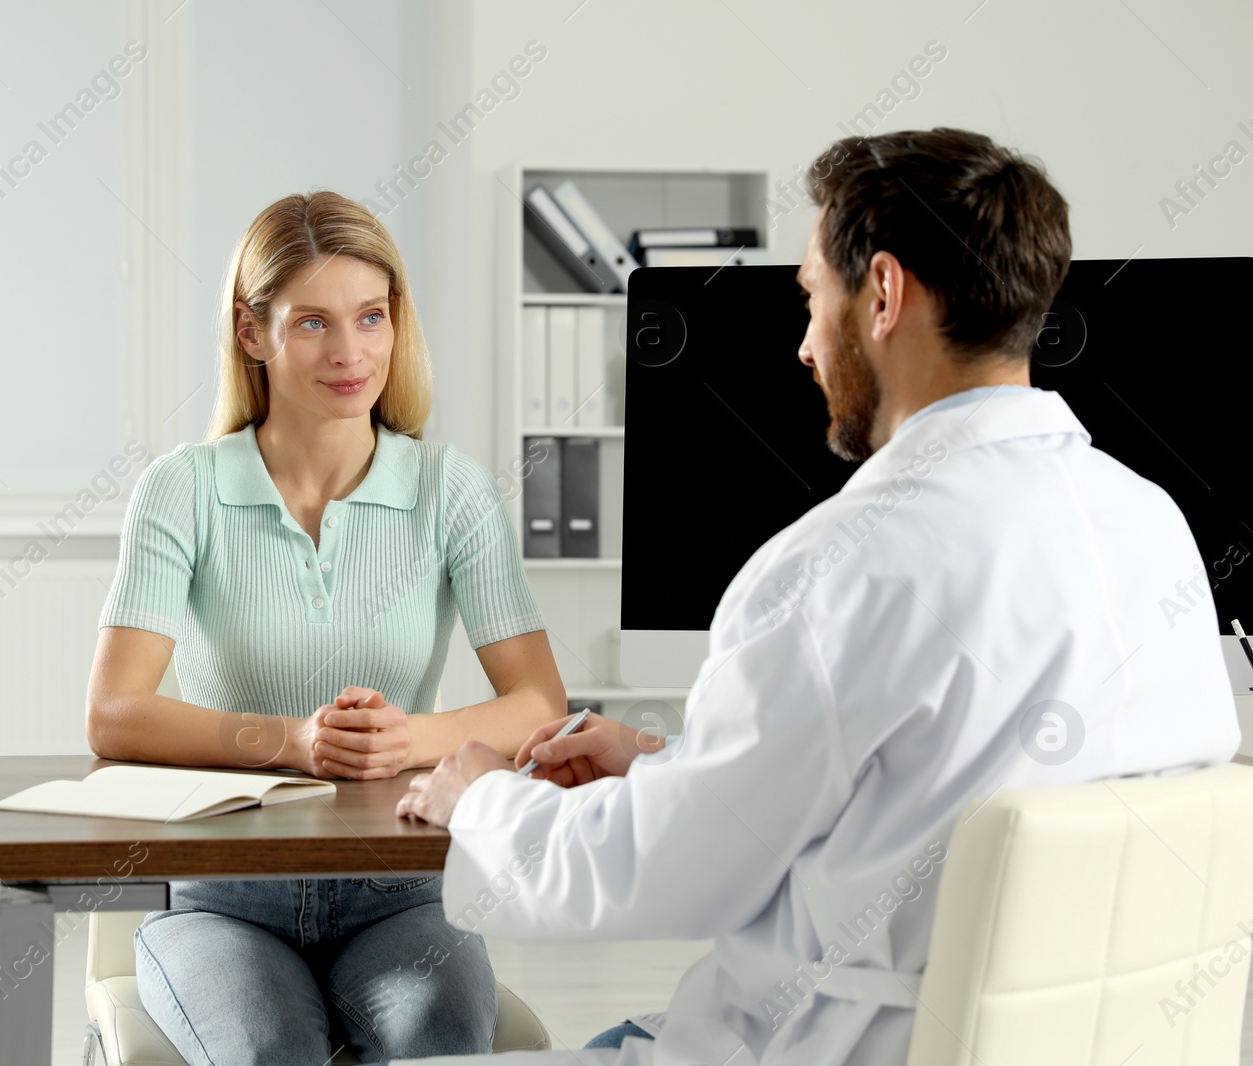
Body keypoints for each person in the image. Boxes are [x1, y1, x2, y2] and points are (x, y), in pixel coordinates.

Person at [395, 129, 1242, 1065]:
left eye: (811, 297)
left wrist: (481, 801)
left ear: (881, 293)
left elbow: (657, 876)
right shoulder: (1151, 523)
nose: (803, 346)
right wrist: (663, 760)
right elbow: (936, 782)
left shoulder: (834, 567)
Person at [87, 190, 566, 1064]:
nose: (351, 353)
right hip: (224, 901)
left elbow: (539, 702)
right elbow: (115, 713)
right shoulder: (182, 489)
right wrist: (294, 741)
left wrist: (409, 739)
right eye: (311, 323)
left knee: (441, 1041)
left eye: (371, 317)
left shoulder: (450, 490)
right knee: (271, 1052)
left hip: (404, 894)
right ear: (250, 332)